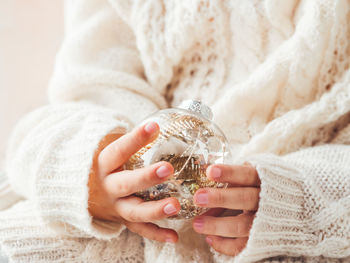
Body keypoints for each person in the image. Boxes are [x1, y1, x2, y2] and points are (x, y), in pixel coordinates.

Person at [1, 0, 350, 262]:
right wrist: (96, 173)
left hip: (294, 224)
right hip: (131, 217)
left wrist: (295, 200)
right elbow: (85, 90)